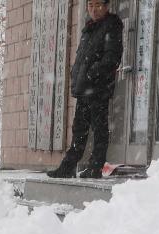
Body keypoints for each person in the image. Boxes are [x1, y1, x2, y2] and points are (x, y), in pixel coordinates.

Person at [47, 0, 123, 179]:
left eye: (98, 5)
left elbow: (112, 58)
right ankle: (68, 167)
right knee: (79, 129)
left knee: (99, 129)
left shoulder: (111, 26)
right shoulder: (89, 28)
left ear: (106, 6)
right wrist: (77, 75)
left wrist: (92, 74)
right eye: (90, 5)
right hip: (84, 87)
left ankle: (95, 167)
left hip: (98, 88)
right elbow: (83, 58)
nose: (94, 10)